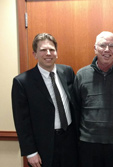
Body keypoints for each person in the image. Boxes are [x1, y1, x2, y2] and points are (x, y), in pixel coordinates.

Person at [11, 33, 79, 167]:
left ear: (56, 53)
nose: (48, 53)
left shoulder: (67, 72)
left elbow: (76, 104)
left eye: (52, 49)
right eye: (43, 50)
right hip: (44, 146)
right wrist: (30, 152)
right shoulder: (22, 82)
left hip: (70, 141)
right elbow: (21, 121)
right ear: (34, 54)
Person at [73, 31, 113, 167]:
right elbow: (76, 111)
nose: (107, 50)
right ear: (95, 48)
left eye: (112, 46)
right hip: (88, 143)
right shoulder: (81, 75)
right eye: (103, 45)